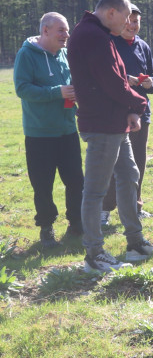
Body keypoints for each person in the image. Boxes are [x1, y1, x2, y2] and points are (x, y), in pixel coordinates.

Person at [68, 0, 153, 272]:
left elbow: (116, 78)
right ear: (111, 13)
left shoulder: (99, 34)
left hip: (116, 121)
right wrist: (139, 102)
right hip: (102, 124)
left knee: (129, 176)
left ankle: (135, 242)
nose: (128, 23)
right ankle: (94, 255)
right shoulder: (92, 36)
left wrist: (131, 109)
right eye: (125, 17)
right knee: (95, 191)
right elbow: (112, 82)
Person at [13, 12, 83, 248]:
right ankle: (46, 228)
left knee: (76, 180)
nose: (66, 35)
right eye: (61, 30)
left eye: (67, 30)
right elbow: (22, 89)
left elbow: (72, 84)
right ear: (45, 31)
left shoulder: (65, 54)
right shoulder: (26, 55)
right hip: (39, 133)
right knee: (43, 184)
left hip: (67, 130)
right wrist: (57, 92)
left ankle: (76, 223)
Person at [101, 3, 153, 225]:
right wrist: (126, 80)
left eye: (136, 21)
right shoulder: (109, 44)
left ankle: (136, 207)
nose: (132, 25)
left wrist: (149, 82)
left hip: (141, 113)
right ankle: (104, 211)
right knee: (114, 164)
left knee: (138, 162)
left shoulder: (143, 46)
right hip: (115, 113)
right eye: (128, 21)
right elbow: (104, 76)